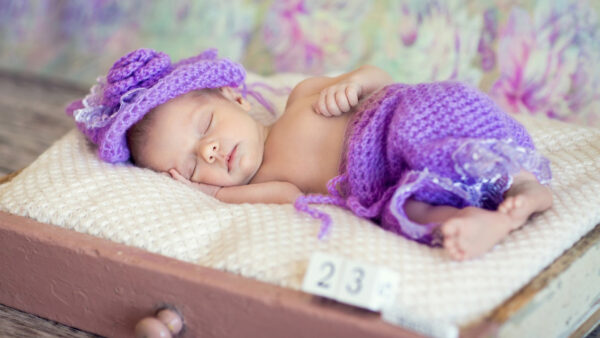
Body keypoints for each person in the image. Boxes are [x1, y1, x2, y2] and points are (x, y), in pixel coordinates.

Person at [66, 48, 553, 261]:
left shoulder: (303, 97)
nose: (210, 151)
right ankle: (481, 220)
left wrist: (353, 85)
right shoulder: (268, 181)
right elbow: (280, 196)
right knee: (406, 210)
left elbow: (379, 77)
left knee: (445, 134)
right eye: (192, 161)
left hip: (398, 120)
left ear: (235, 97)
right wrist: (207, 190)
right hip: (385, 179)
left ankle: (528, 188)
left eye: (206, 127)